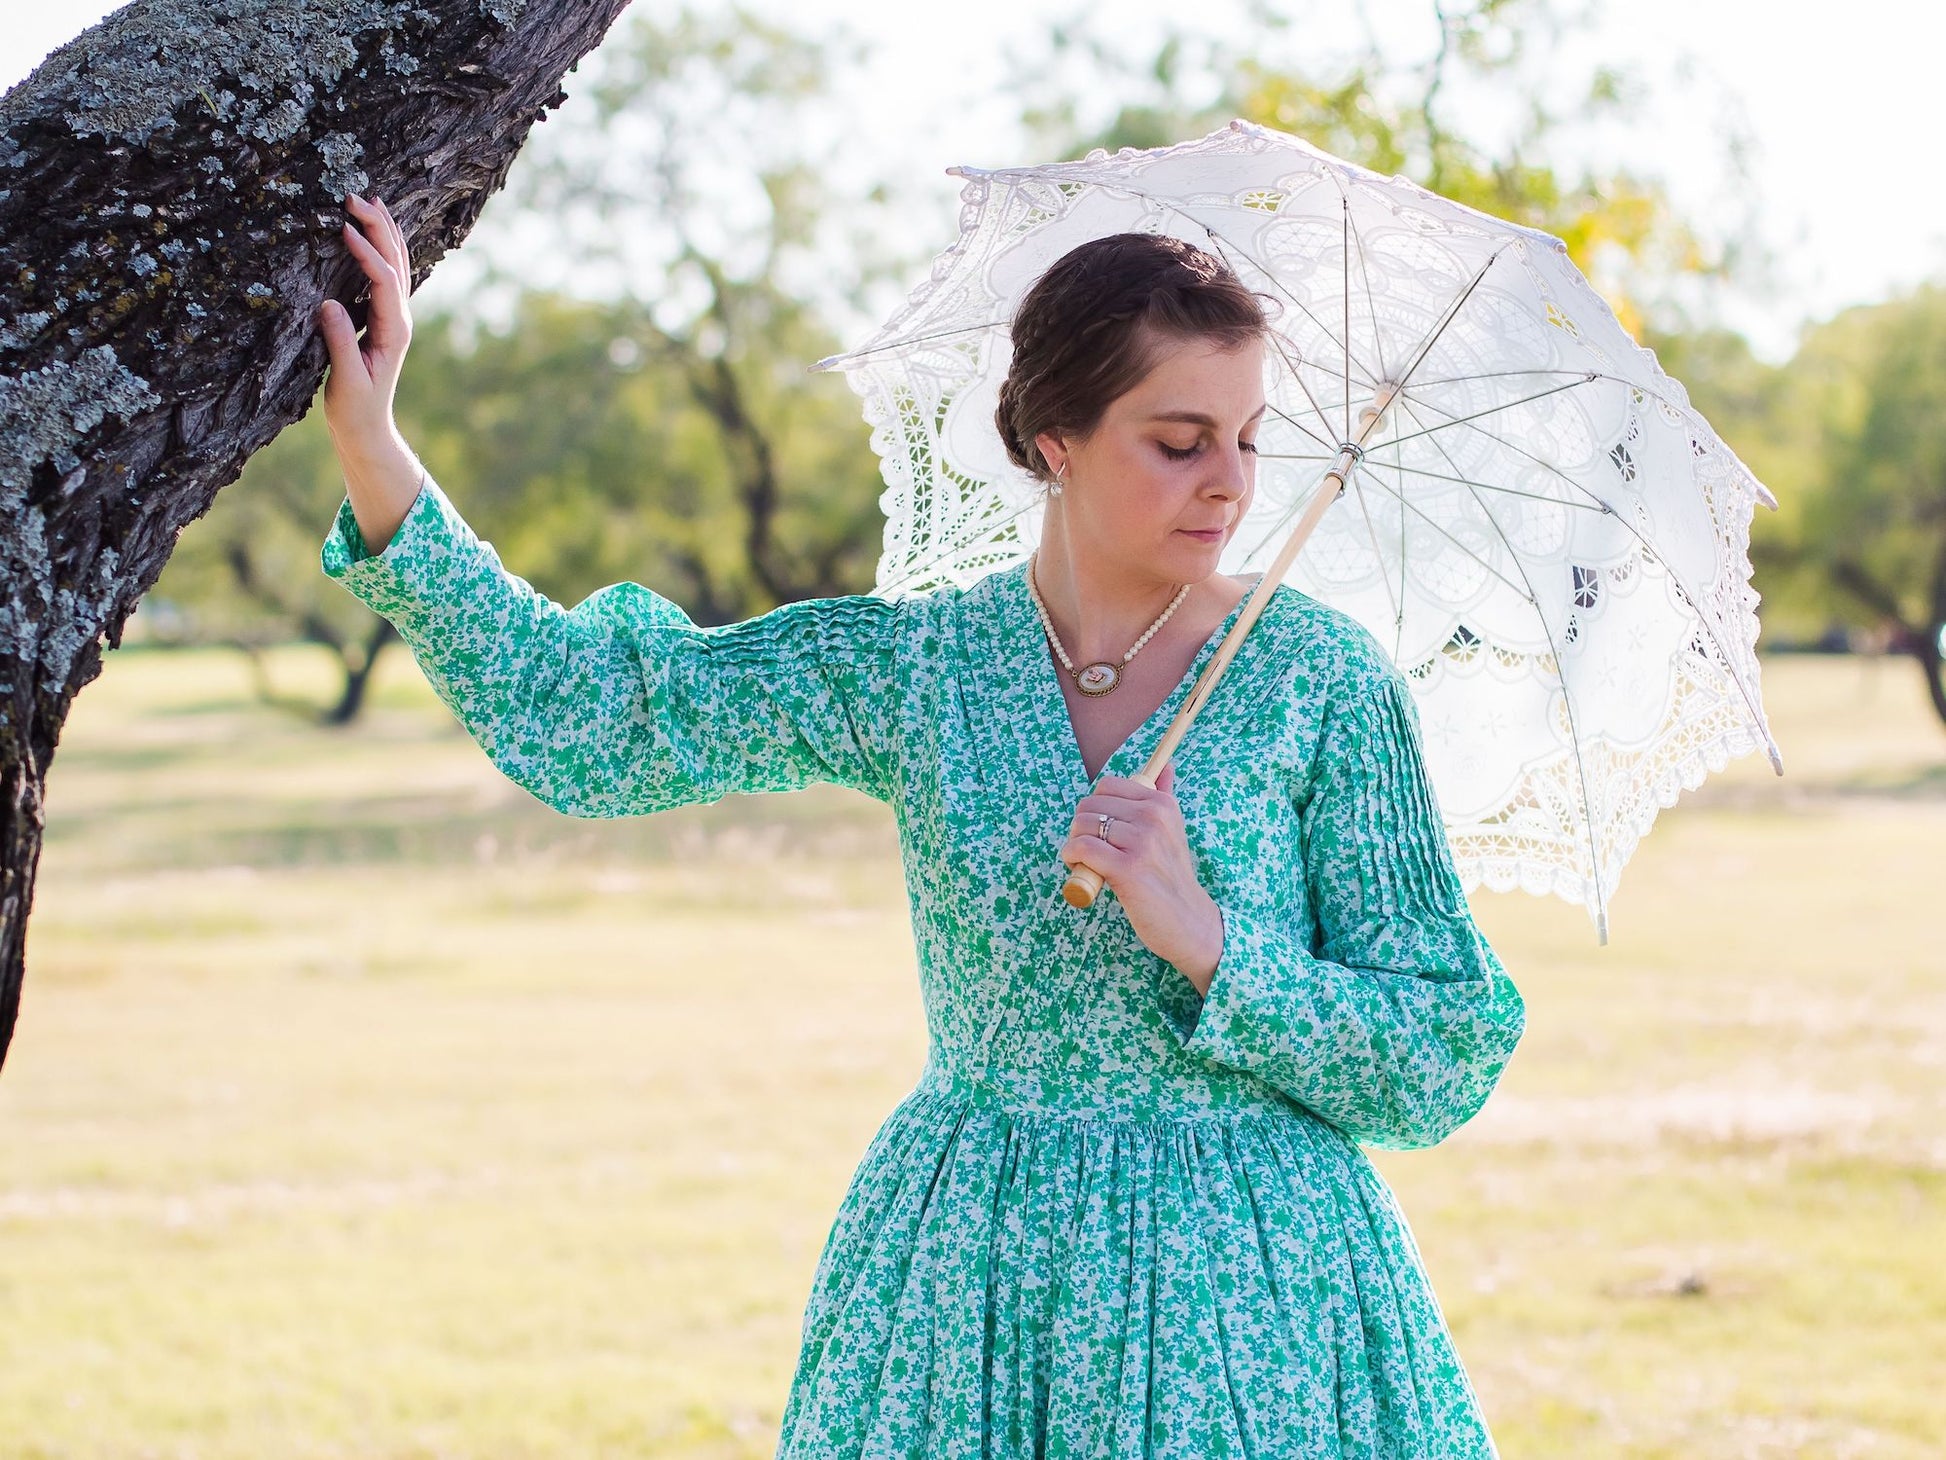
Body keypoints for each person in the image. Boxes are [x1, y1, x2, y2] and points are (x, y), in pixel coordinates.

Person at [314, 194, 1527, 1458]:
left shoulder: (1316, 679)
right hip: (968, 1287)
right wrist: (372, 443)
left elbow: (1442, 1048)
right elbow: (593, 721)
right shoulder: (921, 665)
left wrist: (1213, 943)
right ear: (1054, 439)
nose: (1229, 483)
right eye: (1177, 440)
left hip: (1258, 1301)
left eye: (1247, 437)